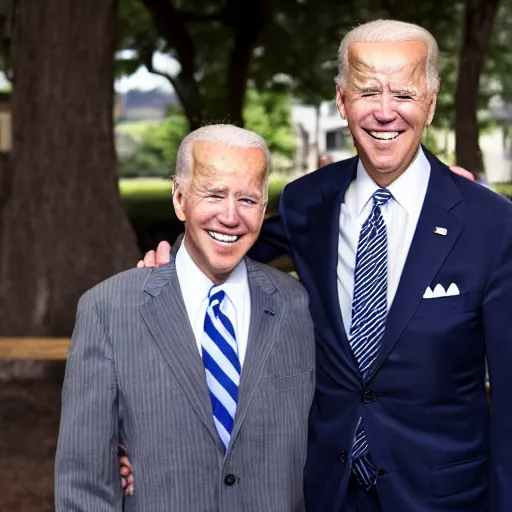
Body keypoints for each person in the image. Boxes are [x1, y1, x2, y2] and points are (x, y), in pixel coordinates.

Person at [137, 20, 512, 512]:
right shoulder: (306, 203)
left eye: (403, 92)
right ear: (341, 100)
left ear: (431, 101)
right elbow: (229, 244)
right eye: (366, 91)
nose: (384, 112)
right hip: (324, 489)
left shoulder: (490, 224)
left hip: (443, 495)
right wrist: (172, 259)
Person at [54, 125, 316, 511]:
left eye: (247, 199)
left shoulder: (296, 306)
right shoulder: (108, 310)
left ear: (263, 209)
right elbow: (83, 484)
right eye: (213, 194)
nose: (230, 216)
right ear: (180, 198)